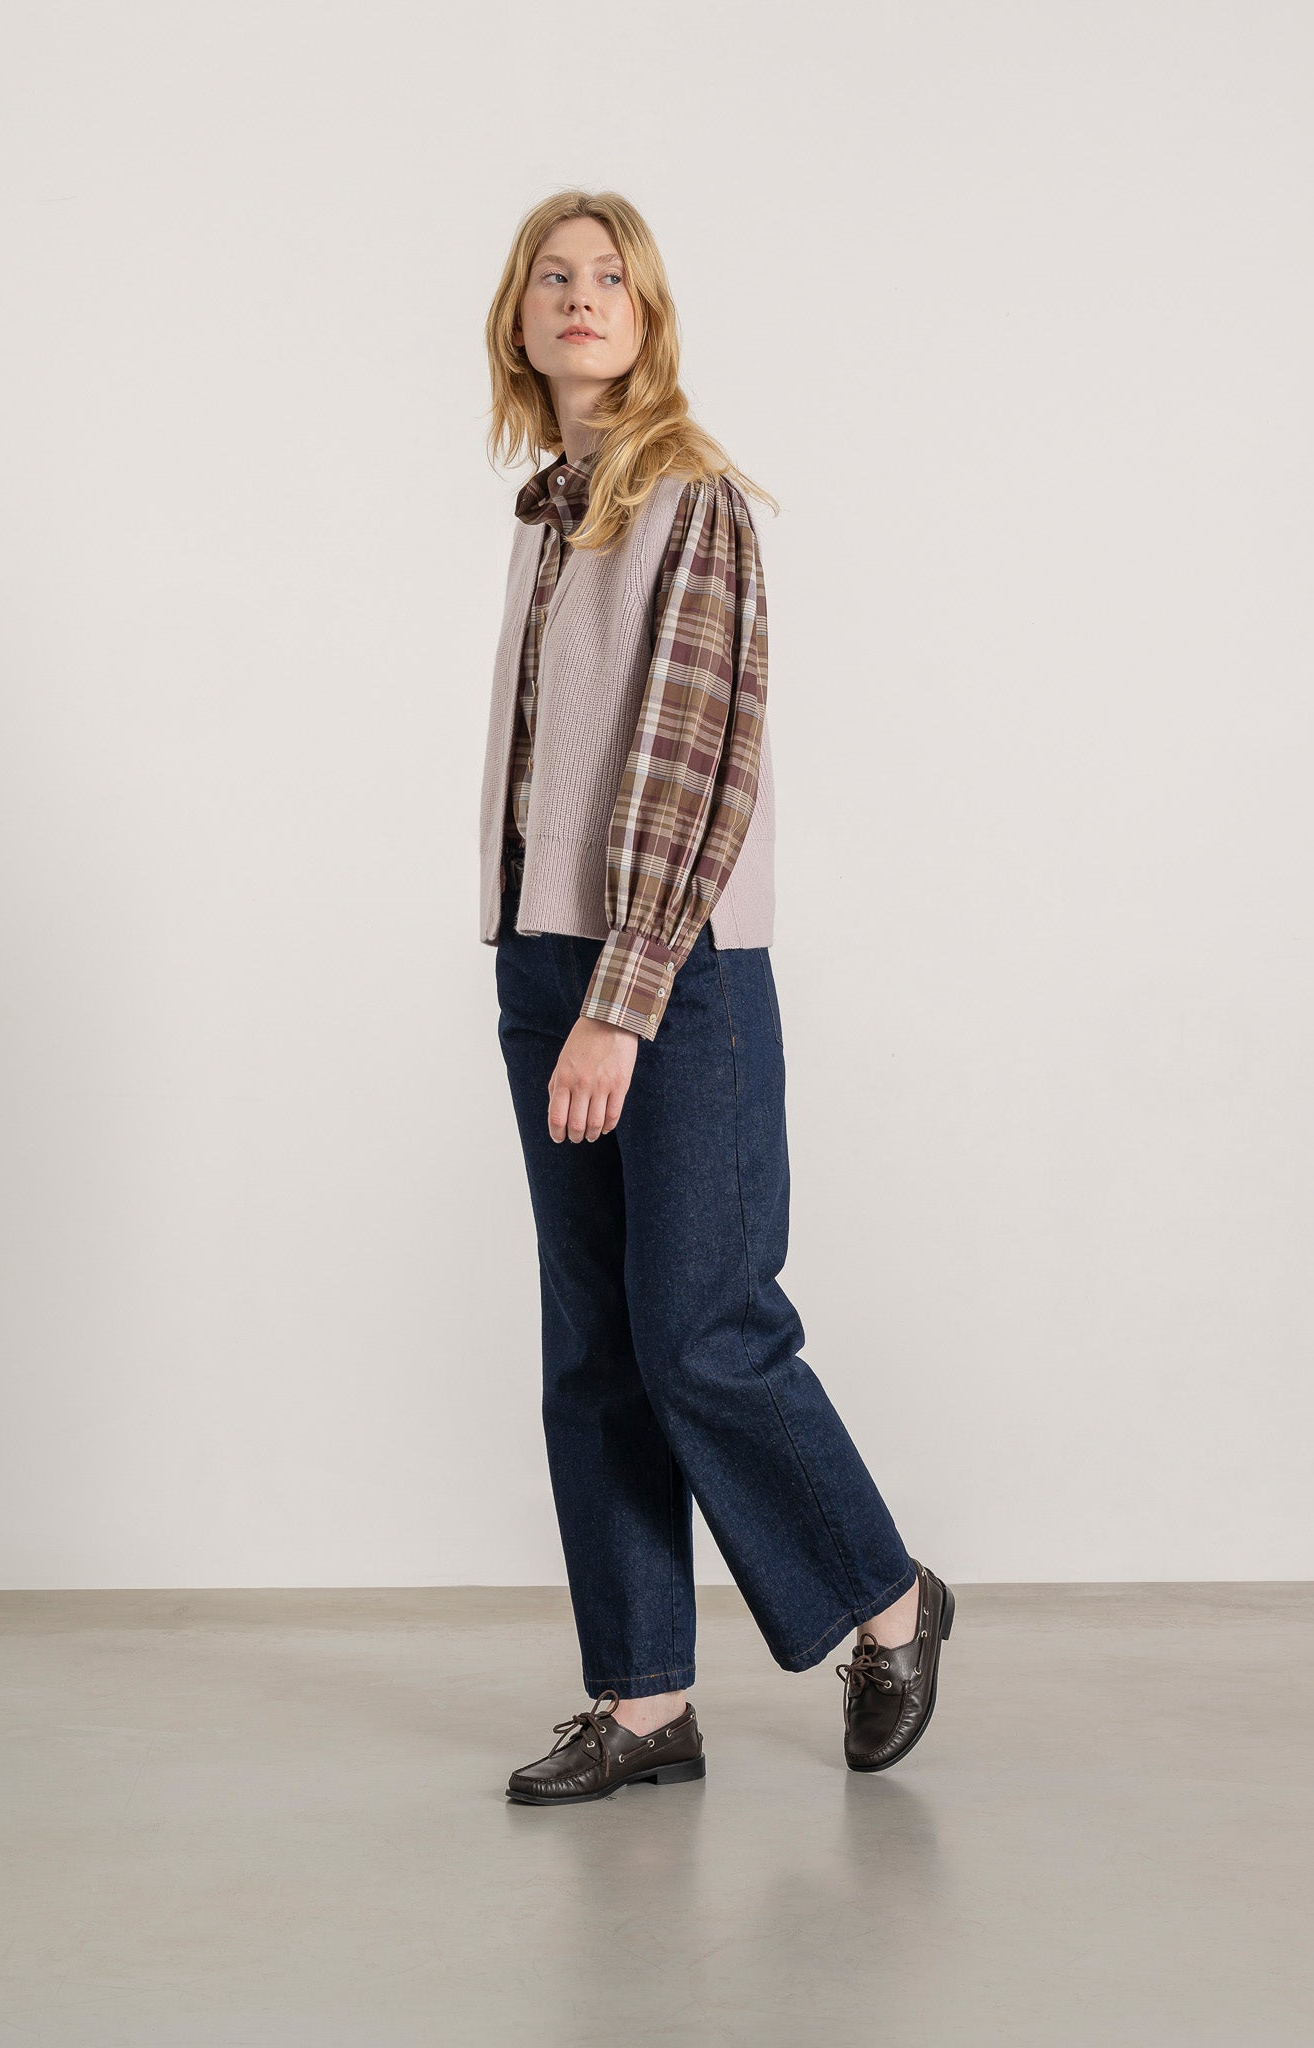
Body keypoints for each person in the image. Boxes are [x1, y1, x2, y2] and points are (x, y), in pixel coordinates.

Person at [479, 190, 954, 1807]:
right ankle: (643, 1703)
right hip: (544, 958)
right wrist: (544, 966)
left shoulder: (687, 497)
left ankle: (886, 1600)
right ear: (517, 318)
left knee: (701, 1334)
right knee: (595, 1350)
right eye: (553, 275)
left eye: (610, 276)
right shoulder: (548, 512)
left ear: (649, 316)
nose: (581, 295)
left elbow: (692, 771)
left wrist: (618, 999)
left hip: (671, 972)